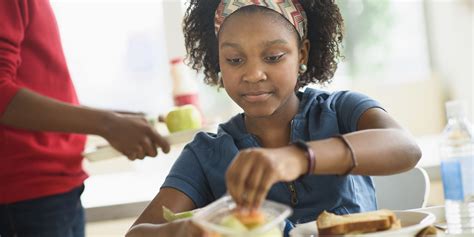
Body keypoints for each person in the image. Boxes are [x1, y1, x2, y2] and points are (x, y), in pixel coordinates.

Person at [127, 0, 422, 236]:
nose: (254, 74)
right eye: (234, 60)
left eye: (273, 57)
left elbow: (405, 147)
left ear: (302, 53)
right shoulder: (206, 154)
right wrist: (188, 230)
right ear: (218, 61)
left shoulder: (341, 110)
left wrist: (298, 157)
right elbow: (138, 233)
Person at [0, 1, 170, 236]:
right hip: (27, 194)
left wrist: (114, 119)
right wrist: (107, 124)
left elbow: (38, 88)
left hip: (56, 186)